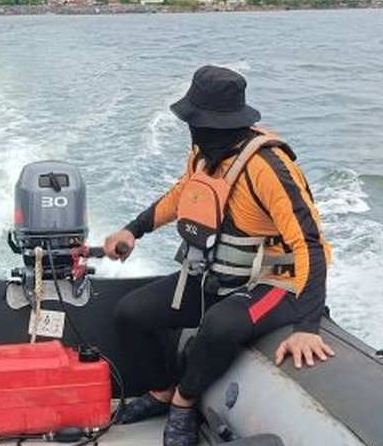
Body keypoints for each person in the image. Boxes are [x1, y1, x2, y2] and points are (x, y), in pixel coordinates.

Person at [102, 65, 336, 446]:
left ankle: (184, 402)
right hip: (218, 274)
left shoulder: (268, 167)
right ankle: (162, 391)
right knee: (131, 313)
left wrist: (307, 328)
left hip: (274, 283)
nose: (193, 128)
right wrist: (133, 230)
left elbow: (309, 244)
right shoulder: (203, 155)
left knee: (221, 325)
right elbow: (181, 196)